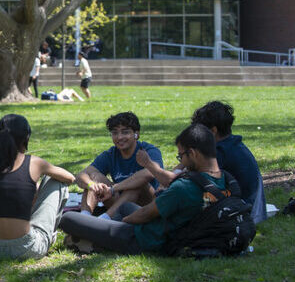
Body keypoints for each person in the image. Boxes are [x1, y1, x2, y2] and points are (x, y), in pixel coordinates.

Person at [60, 123, 237, 255]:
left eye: (181, 156)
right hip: (177, 228)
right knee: (124, 207)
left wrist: (116, 224)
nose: (180, 161)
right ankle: (91, 236)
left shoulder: (184, 188)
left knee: (68, 219)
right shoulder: (226, 179)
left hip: (144, 239)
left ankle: (94, 239)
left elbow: (144, 215)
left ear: (194, 154)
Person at [138, 102, 268, 224]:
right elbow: (179, 171)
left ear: (213, 131)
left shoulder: (218, 153)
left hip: (239, 215)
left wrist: (149, 164)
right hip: (251, 211)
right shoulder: (232, 144)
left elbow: (173, 181)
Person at [0, 114, 76, 260]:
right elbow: (70, 178)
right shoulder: (34, 163)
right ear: (26, 138)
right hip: (26, 248)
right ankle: (49, 234)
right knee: (56, 181)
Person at [75, 112, 164, 219]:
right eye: (115, 133)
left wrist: (113, 189)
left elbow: (148, 174)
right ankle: (84, 218)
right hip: (120, 203)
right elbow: (82, 174)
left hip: (148, 206)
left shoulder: (149, 150)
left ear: (136, 134)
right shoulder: (111, 154)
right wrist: (91, 185)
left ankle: (104, 220)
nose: (119, 137)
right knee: (95, 178)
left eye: (125, 132)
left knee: (138, 184)